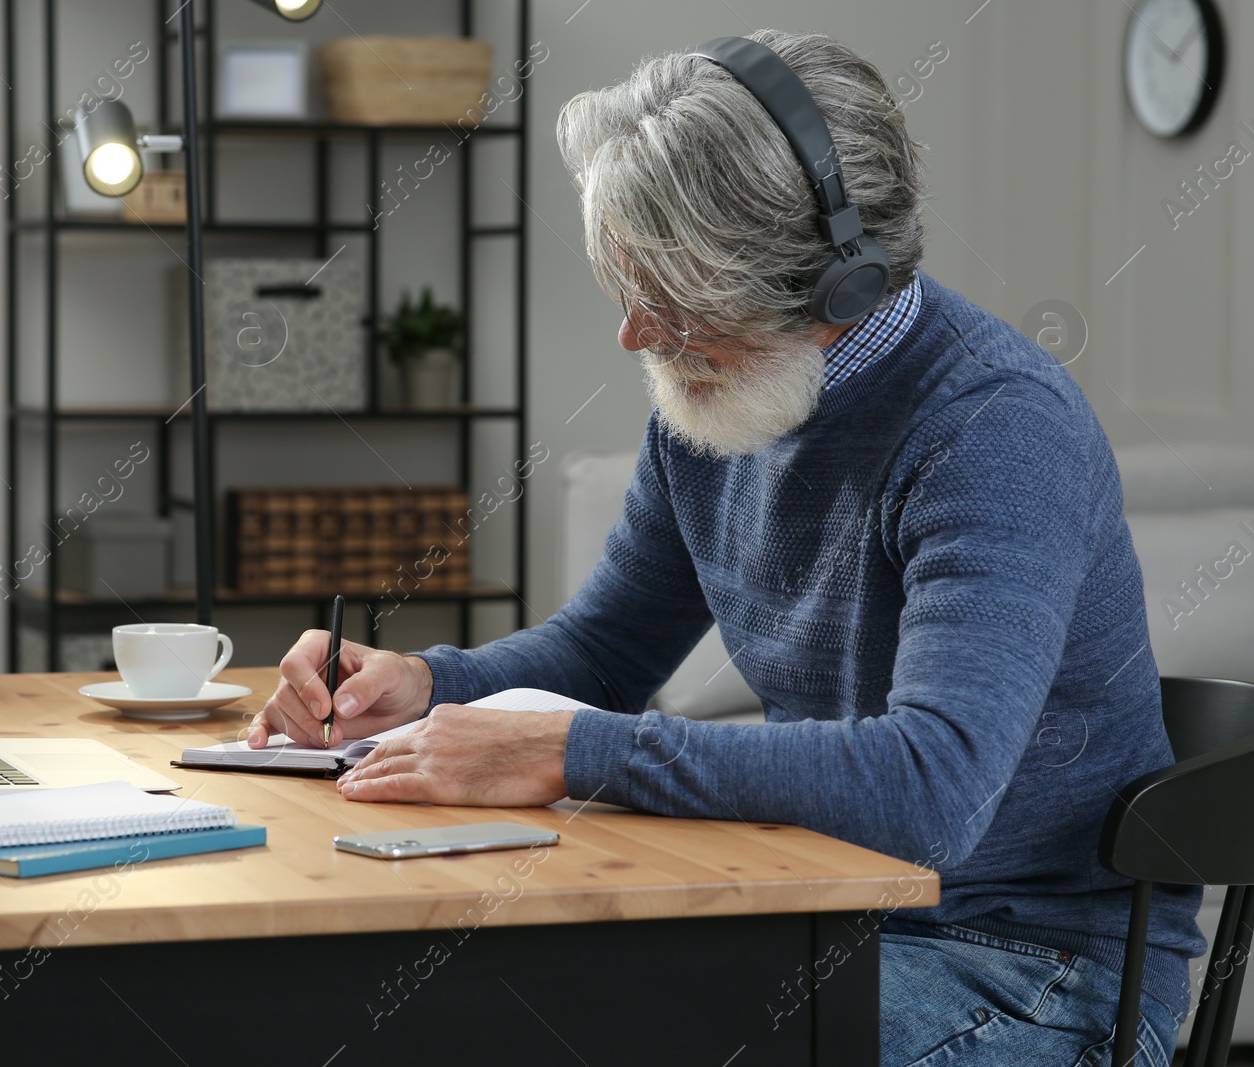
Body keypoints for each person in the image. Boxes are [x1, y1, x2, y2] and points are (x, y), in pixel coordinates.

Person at [249, 28, 1202, 1066]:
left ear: (831, 281)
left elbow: (933, 787)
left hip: (1031, 969)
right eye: (628, 287)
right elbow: (605, 649)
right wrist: (427, 682)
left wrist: (569, 749)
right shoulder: (711, 403)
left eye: (670, 294)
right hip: (818, 910)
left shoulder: (992, 432)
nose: (634, 335)